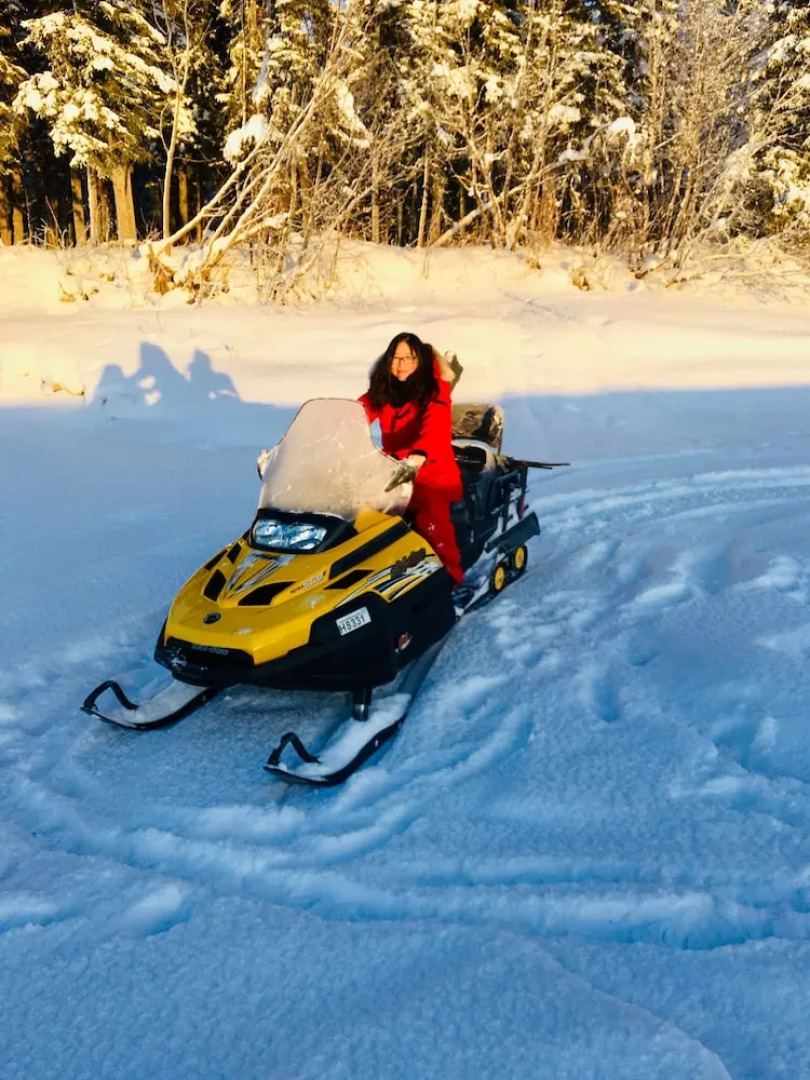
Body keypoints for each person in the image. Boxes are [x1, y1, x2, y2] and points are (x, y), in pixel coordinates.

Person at [359, 332, 464, 586]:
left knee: (431, 515)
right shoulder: (385, 387)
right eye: (396, 358)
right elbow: (358, 412)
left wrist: (419, 455)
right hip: (393, 468)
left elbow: (435, 424)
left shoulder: (433, 387)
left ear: (420, 361)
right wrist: (332, 427)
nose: (402, 364)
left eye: (409, 358)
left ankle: (451, 577)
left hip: (431, 469)